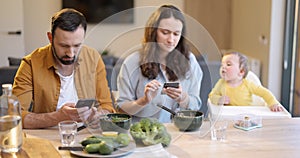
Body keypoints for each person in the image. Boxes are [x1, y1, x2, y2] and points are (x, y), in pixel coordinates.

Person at [12, 8, 115, 129]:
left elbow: (107, 105)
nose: (71, 54)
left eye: (77, 45)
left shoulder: (93, 58)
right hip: (46, 135)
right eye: (64, 46)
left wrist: (99, 116)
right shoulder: (31, 63)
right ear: (50, 38)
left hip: (85, 134)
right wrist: (58, 117)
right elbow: (15, 116)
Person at [116, 5, 203, 123]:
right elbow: (121, 110)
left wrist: (182, 97)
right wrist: (143, 101)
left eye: (176, 34)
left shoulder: (190, 61)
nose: (171, 40)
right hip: (142, 133)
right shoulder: (132, 62)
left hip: (178, 132)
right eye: (165, 32)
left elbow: (195, 104)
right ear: (153, 31)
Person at [209, 51, 284, 112]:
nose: (223, 67)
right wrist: (219, 99)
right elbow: (211, 96)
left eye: (228, 64)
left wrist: (273, 103)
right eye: (222, 64)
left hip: (246, 116)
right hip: (229, 115)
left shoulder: (248, 84)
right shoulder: (221, 83)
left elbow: (265, 93)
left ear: (241, 71)